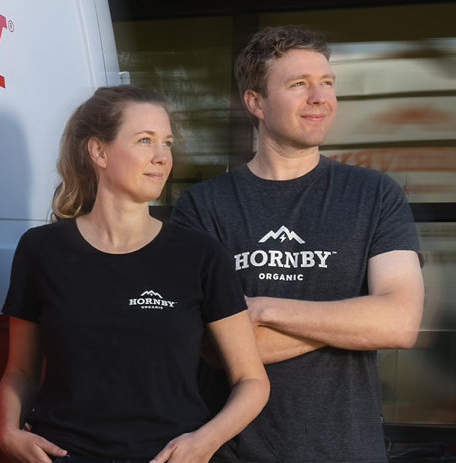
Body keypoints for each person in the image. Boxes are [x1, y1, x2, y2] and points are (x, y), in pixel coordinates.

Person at [171, 26, 424, 463]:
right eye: (298, 85)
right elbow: (208, 346)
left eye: (326, 83)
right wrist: (354, 322)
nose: (319, 97)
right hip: (231, 452)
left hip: (346, 452)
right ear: (255, 103)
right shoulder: (202, 205)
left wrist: (264, 310)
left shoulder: (374, 195)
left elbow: (399, 323)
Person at [0, 85, 269, 463]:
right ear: (99, 151)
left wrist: (204, 442)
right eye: (145, 140)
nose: (161, 157)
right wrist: (8, 431)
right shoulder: (41, 250)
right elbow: (22, 371)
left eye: (167, 143)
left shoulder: (200, 254)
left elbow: (252, 381)